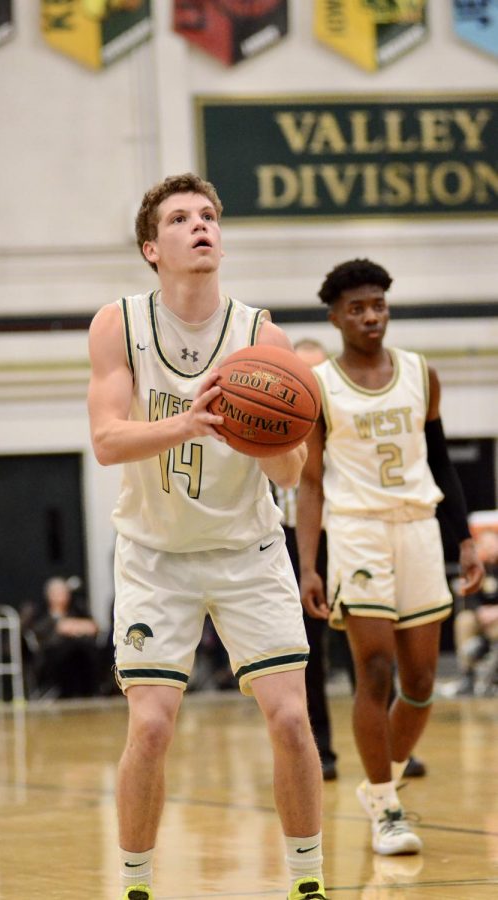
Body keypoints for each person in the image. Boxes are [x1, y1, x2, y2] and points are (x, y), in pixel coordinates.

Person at [87, 173, 327, 900]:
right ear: (151, 248)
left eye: (211, 216)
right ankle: (135, 883)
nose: (202, 227)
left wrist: (278, 434)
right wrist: (190, 421)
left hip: (246, 549)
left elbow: (289, 469)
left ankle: (308, 881)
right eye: (182, 218)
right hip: (156, 555)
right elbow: (107, 440)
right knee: (153, 727)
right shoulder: (118, 324)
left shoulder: (263, 337)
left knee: (289, 717)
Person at [297, 258, 484, 857]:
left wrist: (465, 538)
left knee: (423, 683)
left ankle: (388, 775)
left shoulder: (420, 374)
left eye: (377, 304)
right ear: (335, 317)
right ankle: (385, 805)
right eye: (356, 308)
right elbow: (310, 483)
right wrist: (309, 564)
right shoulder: (320, 384)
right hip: (356, 531)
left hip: (420, 529)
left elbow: (441, 462)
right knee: (375, 670)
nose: (370, 315)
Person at [272, 338, 338, 781]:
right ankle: (323, 752)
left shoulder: (343, 423)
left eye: (319, 373)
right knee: (308, 653)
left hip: (348, 534)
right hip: (294, 540)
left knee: (369, 646)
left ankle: (393, 751)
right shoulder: (274, 417)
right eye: (304, 372)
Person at [27, 577, 110, 699]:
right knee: (69, 650)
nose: (62, 596)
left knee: (88, 650)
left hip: (82, 653)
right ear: (49, 595)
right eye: (58, 593)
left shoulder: (77, 609)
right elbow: (42, 632)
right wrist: (71, 627)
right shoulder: (41, 613)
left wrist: (71, 626)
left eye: (64, 592)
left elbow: (93, 626)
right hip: (54, 658)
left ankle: (95, 690)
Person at [451, 528, 498, 695]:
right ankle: (467, 675)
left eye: (494, 543)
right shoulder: (475, 568)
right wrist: (479, 611)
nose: (491, 548)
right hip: (480, 616)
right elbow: (468, 596)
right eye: (486, 545)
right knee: (464, 620)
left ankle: (494, 677)